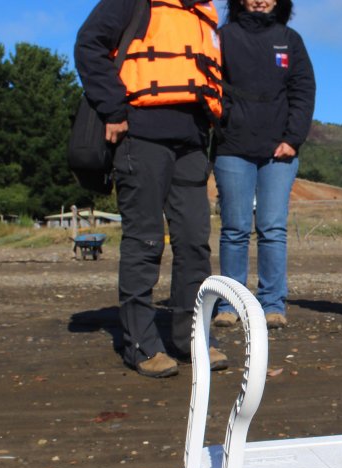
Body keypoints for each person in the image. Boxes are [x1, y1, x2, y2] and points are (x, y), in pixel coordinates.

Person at [75, 0, 229, 378]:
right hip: (140, 136)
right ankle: (141, 344)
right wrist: (113, 109)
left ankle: (190, 337)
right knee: (144, 241)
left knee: (194, 242)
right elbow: (88, 44)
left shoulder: (203, 14)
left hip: (192, 141)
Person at [211, 0, 316, 330]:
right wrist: (225, 120)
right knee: (234, 229)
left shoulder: (290, 39)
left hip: (279, 152)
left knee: (272, 229)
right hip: (232, 148)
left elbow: (303, 91)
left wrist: (293, 138)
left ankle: (272, 302)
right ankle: (230, 303)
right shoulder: (223, 36)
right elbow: (209, 83)